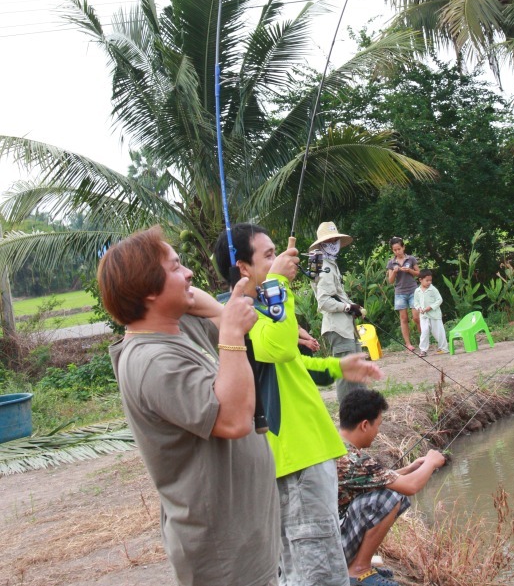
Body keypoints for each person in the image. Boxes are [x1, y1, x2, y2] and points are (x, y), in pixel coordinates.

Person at [98, 226, 280, 586]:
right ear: (149, 290)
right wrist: (230, 334)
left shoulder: (177, 328)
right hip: (222, 558)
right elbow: (232, 420)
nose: (190, 274)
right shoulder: (152, 361)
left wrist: (222, 315)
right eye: (176, 267)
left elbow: (200, 301)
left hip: (246, 542)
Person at [206, 223, 383, 586]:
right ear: (243, 268)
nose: (281, 260)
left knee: (320, 561)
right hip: (294, 458)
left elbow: (289, 363)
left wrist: (337, 366)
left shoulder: (260, 308)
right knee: (315, 572)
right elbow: (280, 348)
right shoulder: (239, 314)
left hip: (309, 453)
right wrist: (277, 283)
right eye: (268, 255)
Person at [337, 389, 446, 586]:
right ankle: (359, 570)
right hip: (332, 547)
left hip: (327, 538)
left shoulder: (337, 446)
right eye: (377, 425)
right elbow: (410, 487)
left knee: (390, 491)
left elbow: (377, 478)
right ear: (364, 425)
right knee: (391, 497)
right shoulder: (354, 460)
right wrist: (431, 462)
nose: (378, 432)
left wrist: (411, 467)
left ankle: (358, 563)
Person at [309, 221, 366, 402]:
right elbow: (324, 301)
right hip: (338, 328)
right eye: (330, 240)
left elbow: (337, 296)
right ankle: (348, 415)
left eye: (335, 240)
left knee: (357, 369)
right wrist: (348, 307)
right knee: (346, 374)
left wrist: (353, 307)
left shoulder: (331, 264)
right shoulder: (325, 267)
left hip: (345, 326)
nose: (333, 243)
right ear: (322, 244)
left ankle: (361, 409)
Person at [386, 238, 420, 350]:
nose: (397, 252)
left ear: (403, 247)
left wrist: (409, 270)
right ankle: (408, 344)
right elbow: (390, 281)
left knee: (416, 317)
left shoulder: (411, 259)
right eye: (394, 250)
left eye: (399, 249)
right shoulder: (391, 263)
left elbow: (418, 274)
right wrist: (395, 272)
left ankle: (423, 339)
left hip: (413, 290)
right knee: (404, 318)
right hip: (400, 292)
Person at [413, 269, 449, 357]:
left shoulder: (433, 289)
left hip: (435, 315)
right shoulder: (417, 291)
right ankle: (423, 350)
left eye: (430, 280)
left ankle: (444, 348)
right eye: (427, 280)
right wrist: (419, 308)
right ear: (420, 280)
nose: (429, 282)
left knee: (438, 332)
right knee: (424, 332)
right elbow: (416, 302)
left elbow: (439, 300)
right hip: (424, 316)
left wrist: (431, 307)